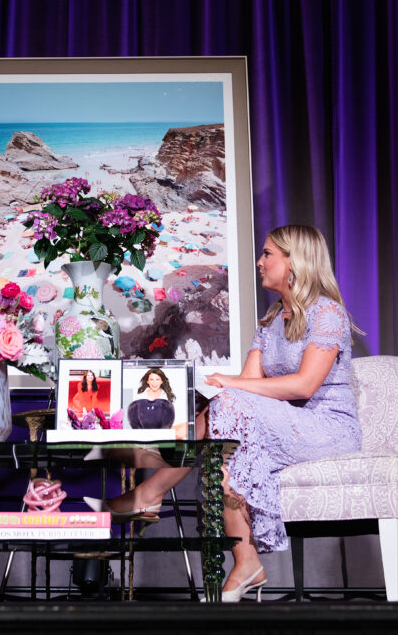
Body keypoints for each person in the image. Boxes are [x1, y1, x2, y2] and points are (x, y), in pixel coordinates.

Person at [88, 225, 362, 602]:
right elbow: (249, 383)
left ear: (294, 261)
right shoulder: (270, 322)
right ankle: (243, 561)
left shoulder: (327, 313)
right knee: (220, 420)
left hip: (326, 429)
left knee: (228, 408)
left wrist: (227, 385)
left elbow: (303, 386)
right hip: (283, 421)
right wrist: (215, 387)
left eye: (268, 254)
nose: (259, 262)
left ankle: (150, 493)